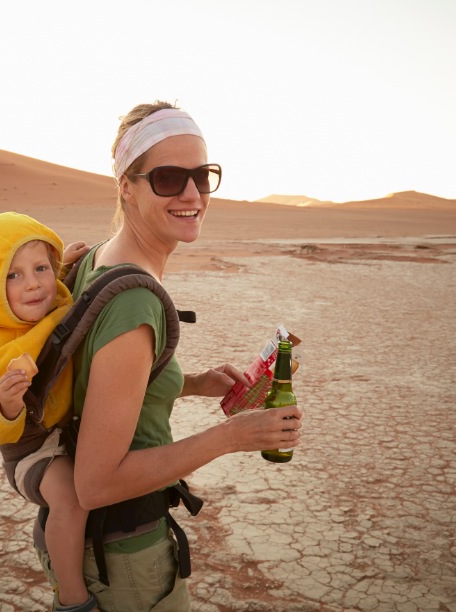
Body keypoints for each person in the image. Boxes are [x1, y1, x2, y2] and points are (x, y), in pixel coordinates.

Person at [34, 102, 304, 611]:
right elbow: (94, 484)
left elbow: (102, 382)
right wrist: (230, 437)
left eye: (203, 177)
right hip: (125, 561)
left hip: (101, 550)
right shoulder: (134, 301)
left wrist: (195, 382)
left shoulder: (98, 261)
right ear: (126, 186)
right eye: (167, 178)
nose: (192, 195)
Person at [0, 212, 96, 612]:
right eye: (12, 276)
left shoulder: (54, 303)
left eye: (41, 268)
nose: (33, 283)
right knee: (70, 498)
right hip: (30, 449)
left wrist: (65, 265)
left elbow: (58, 292)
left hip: (67, 429)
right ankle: (72, 597)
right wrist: (6, 403)